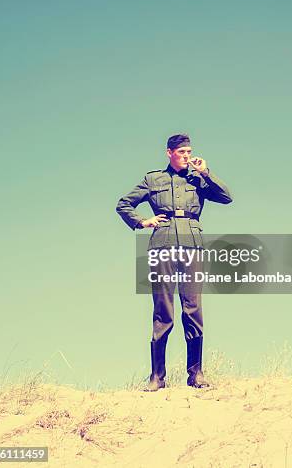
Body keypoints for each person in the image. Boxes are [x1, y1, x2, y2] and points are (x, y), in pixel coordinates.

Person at [116, 133, 233, 391]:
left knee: (193, 309)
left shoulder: (197, 179)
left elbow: (226, 197)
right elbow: (123, 204)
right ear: (169, 152)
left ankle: (196, 374)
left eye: (189, 152)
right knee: (163, 310)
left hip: (192, 246)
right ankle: (157, 377)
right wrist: (142, 221)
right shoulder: (153, 179)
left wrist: (206, 173)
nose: (186, 156)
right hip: (163, 245)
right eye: (182, 152)